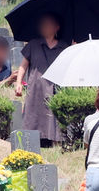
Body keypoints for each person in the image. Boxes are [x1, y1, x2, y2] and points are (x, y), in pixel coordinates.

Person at [15, 13, 69, 147]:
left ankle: (56, 143)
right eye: (44, 25)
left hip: (56, 88)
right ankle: (30, 143)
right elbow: (23, 66)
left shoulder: (64, 46)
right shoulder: (33, 44)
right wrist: (18, 83)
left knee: (55, 116)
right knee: (33, 113)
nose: (46, 27)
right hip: (36, 87)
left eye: (50, 24)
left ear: (57, 27)